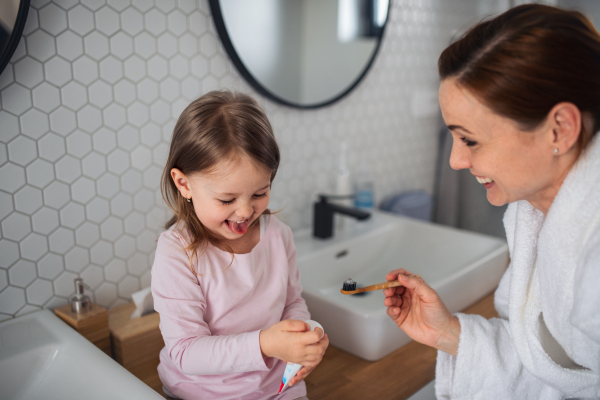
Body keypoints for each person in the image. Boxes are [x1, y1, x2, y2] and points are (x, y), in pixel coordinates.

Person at [383, 5, 600, 399]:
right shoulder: (531, 214)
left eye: (470, 139)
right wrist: (449, 332)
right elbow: (554, 367)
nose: (455, 160)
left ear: (560, 128)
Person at [152, 91, 329, 400]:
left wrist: (307, 333)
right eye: (227, 199)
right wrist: (265, 344)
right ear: (184, 184)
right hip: (201, 393)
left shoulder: (279, 235)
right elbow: (185, 351)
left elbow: (291, 303)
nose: (246, 211)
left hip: (277, 387)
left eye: (260, 193)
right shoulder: (177, 252)